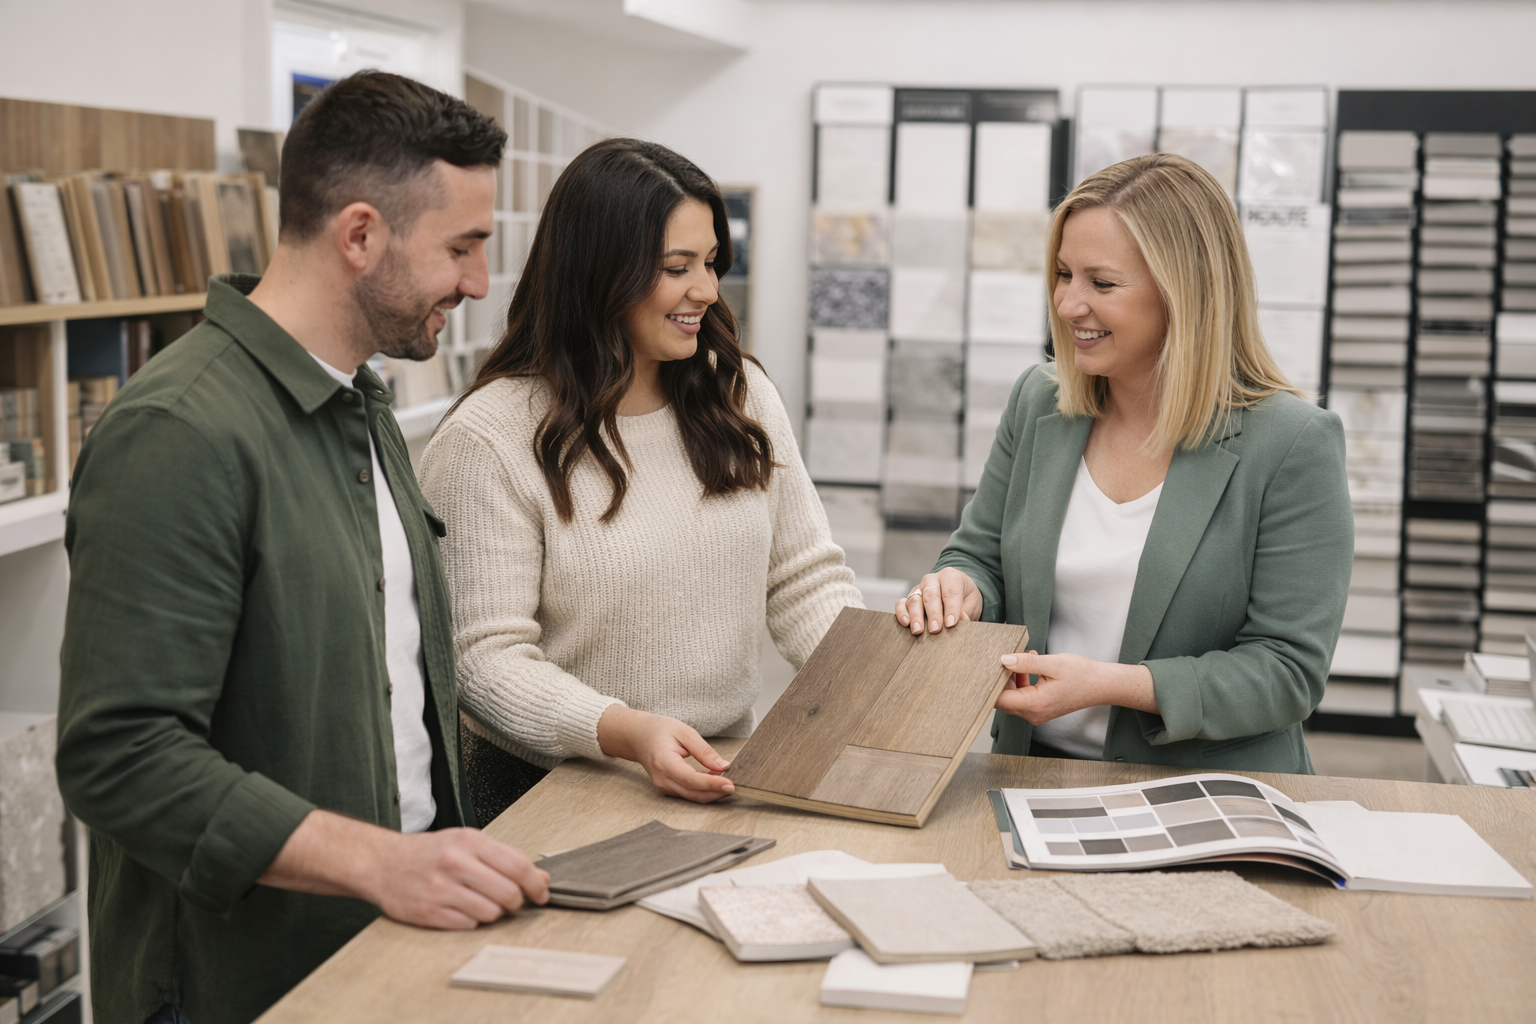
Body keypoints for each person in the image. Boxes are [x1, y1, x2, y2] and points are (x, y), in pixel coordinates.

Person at [55, 72, 550, 1024]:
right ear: (360, 235)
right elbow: (120, 756)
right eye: (461, 246)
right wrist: (382, 862)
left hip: (386, 946)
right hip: (232, 986)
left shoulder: (361, 403)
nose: (479, 283)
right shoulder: (180, 431)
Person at [419, 137, 860, 820]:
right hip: (547, 790)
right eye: (677, 267)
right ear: (599, 272)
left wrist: (892, 682)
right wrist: (626, 731)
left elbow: (802, 580)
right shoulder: (488, 439)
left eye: (711, 263)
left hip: (718, 773)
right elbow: (482, 660)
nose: (706, 291)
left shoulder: (739, 394)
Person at [896, 153, 1351, 772]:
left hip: (1204, 791)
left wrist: (1113, 684)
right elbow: (979, 555)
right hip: (1031, 771)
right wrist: (961, 587)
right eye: (1063, 275)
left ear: (1184, 294)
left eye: (1101, 284)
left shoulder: (1294, 443)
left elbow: (1287, 672)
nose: (1068, 305)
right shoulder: (1039, 401)